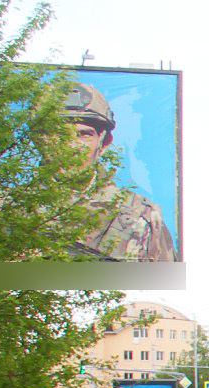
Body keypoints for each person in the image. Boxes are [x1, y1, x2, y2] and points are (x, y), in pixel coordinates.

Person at [62, 82, 178, 263]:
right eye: (60, 135)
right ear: (39, 139)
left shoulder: (142, 215)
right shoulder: (6, 210)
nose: (71, 147)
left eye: (84, 135)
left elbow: (164, 287)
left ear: (103, 142)